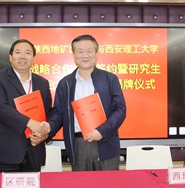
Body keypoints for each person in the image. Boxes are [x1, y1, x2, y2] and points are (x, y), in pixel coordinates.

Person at [44, 34, 126, 171]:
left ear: (96, 54)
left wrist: (102, 131)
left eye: (89, 51)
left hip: (106, 142)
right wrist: (48, 128)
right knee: (81, 184)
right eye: (80, 51)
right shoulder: (65, 83)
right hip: (78, 145)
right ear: (74, 55)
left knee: (109, 184)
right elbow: (59, 113)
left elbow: (120, 109)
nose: (85, 55)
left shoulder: (109, 79)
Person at [0, 39, 52, 172]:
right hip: (5, 153)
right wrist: (30, 123)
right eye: (18, 52)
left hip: (34, 152)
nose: (23, 56)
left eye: (27, 53)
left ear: (33, 58)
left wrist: (45, 134)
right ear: (10, 57)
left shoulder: (42, 83)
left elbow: (48, 113)